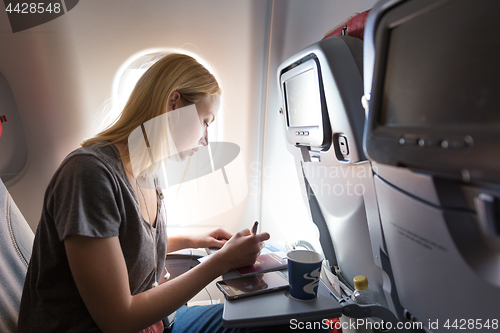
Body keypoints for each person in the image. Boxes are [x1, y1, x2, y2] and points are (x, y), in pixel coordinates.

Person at [18, 53, 272, 333]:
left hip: (153, 325)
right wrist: (220, 262)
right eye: (205, 121)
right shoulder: (89, 175)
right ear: (174, 103)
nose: (206, 139)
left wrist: (195, 239)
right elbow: (118, 320)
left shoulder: (146, 173)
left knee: (261, 320)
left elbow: (125, 242)